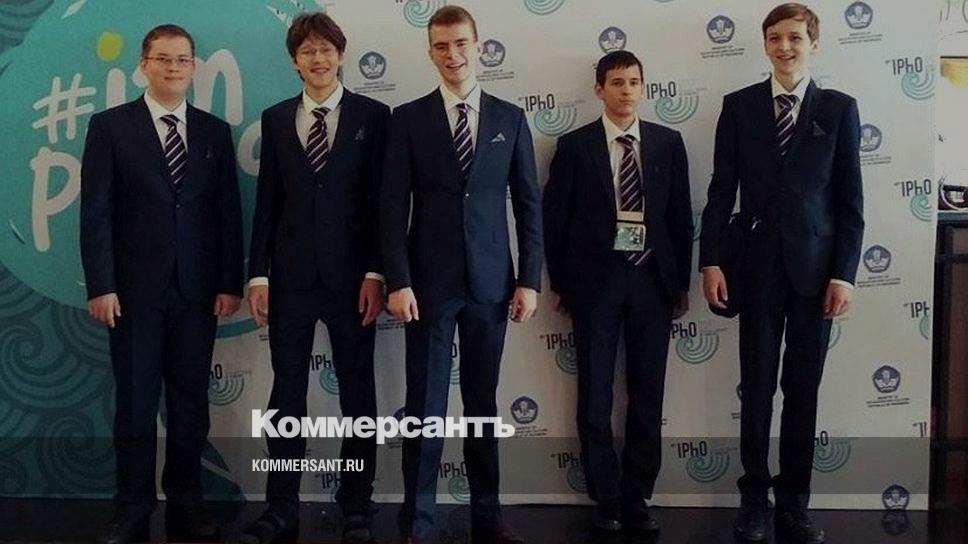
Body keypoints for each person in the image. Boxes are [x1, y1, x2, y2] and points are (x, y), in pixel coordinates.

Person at [699, 4, 864, 543]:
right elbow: (721, 190)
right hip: (756, 270)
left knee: (802, 390)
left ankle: (794, 502)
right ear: (765, 45)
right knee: (757, 388)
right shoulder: (740, 106)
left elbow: (850, 202)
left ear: (813, 42)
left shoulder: (838, 109)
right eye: (774, 38)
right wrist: (711, 260)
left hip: (817, 276)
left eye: (794, 37)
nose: (784, 47)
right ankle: (754, 500)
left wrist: (845, 274)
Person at [379, 5, 542, 543]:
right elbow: (391, 207)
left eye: (461, 44)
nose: (453, 55)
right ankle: (417, 521)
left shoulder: (509, 118)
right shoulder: (407, 119)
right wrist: (398, 279)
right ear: (430, 53)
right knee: (425, 407)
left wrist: (529, 280)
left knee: (482, 405)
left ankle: (487, 516)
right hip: (426, 286)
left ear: (479, 46)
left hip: (492, 285)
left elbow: (529, 205)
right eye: (442, 46)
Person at [80, 23, 243, 544]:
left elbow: (227, 214)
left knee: (190, 403)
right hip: (132, 295)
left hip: (198, 293)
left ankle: (188, 505)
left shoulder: (214, 132)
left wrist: (229, 282)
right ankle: (131, 506)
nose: (173, 67)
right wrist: (101, 285)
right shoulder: (110, 127)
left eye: (182, 60)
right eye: (163, 59)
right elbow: (96, 214)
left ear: (194, 68)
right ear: (143, 65)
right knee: (135, 403)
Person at [241, 12, 389, 544]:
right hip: (291, 280)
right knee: (286, 395)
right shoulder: (277, 118)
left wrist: (376, 272)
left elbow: (383, 204)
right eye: (308, 51)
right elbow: (268, 201)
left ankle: (357, 506)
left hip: (354, 282)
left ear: (340, 55)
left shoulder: (374, 116)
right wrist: (258, 275)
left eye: (326, 49)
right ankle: (280, 507)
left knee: (358, 395)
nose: (318, 59)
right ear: (294, 61)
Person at [542, 49, 693, 536]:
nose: (626, 91)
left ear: (643, 87)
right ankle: (605, 495)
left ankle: (637, 494)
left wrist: (680, 284)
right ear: (599, 89)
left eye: (634, 82)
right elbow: (555, 220)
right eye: (616, 82)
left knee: (648, 391)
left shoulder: (668, 142)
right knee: (595, 392)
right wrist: (562, 283)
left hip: (652, 282)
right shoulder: (575, 145)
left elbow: (680, 217)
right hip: (596, 285)